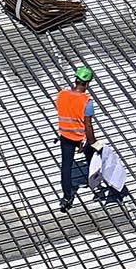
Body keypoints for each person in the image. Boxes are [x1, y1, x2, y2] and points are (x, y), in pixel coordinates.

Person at [54, 64, 97, 211]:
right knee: (92, 156)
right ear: (87, 83)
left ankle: (67, 196)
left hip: (65, 135)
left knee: (66, 166)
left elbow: (60, 109)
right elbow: (88, 125)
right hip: (81, 139)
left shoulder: (62, 94)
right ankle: (94, 180)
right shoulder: (87, 102)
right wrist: (92, 142)